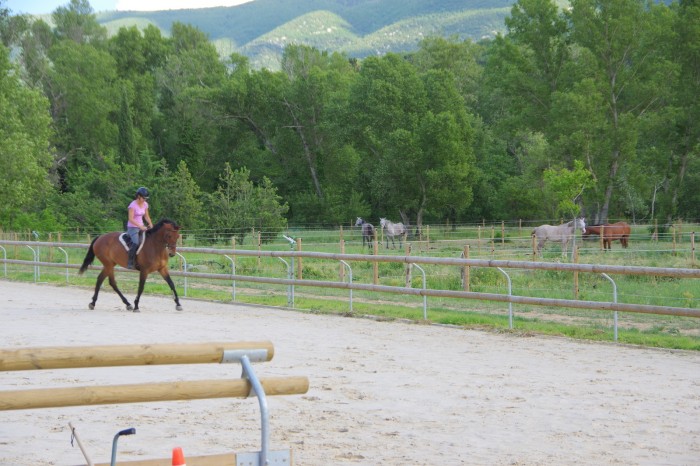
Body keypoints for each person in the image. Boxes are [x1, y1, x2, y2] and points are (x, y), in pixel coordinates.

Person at [126, 187, 153, 269]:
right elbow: (131, 219)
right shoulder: (132, 206)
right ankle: (130, 261)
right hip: (132, 227)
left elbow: (146, 216)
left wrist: (150, 223)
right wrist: (140, 226)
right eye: (144, 198)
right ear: (138, 196)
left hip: (142, 227)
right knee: (136, 242)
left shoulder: (145, 204)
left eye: (146, 198)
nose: (145, 200)